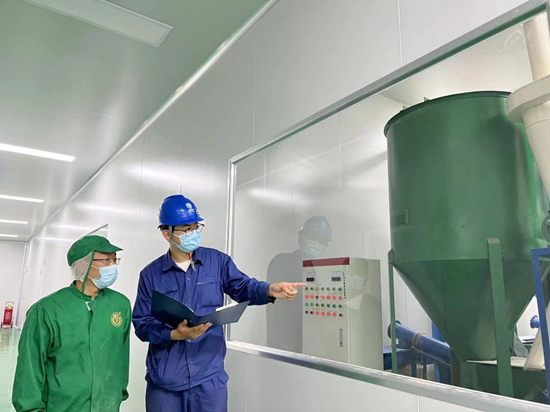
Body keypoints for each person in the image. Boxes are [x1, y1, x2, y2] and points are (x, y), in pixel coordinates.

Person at [132, 194, 305, 412]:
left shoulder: (218, 262)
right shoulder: (150, 275)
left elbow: (243, 287)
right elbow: (142, 324)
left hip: (208, 380)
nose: (193, 233)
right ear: (167, 233)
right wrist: (174, 334)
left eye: (196, 227)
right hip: (166, 383)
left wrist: (269, 289)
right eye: (186, 229)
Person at [12, 235, 131, 412]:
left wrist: (117, 393)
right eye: (106, 260)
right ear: (82, 265)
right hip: (63, 406)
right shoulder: (47, 310)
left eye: (115, 260)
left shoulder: (120, 305)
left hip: (106, 406)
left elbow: (121, 355)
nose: (112, 266)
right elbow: (29, 366)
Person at [266, 216, 332, 352]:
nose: (318, 245)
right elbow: (281, 305)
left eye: (323, 241)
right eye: (313, 238)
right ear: (301, 237)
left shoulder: (322, 271)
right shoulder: (281, 262)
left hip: (313, 345)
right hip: (285, 345)